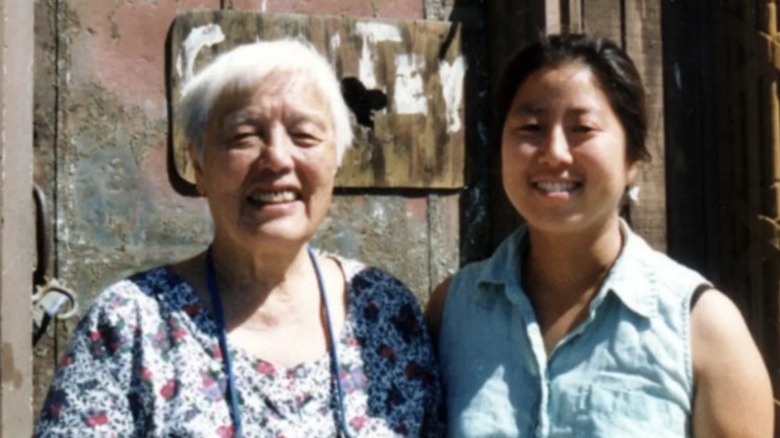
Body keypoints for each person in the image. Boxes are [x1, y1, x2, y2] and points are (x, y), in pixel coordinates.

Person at [36, 39, 441, 437]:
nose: (278, 158)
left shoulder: (385, 309)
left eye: (304, 136)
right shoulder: (130, 323)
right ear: (198, 163)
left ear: (336, 160)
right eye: (244, 136)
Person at [426, 33, 773, 437]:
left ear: (633, 159)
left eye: (582, 128)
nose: (554, 152)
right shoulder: (452, 311)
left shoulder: (701, 327)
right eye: (531, 127)